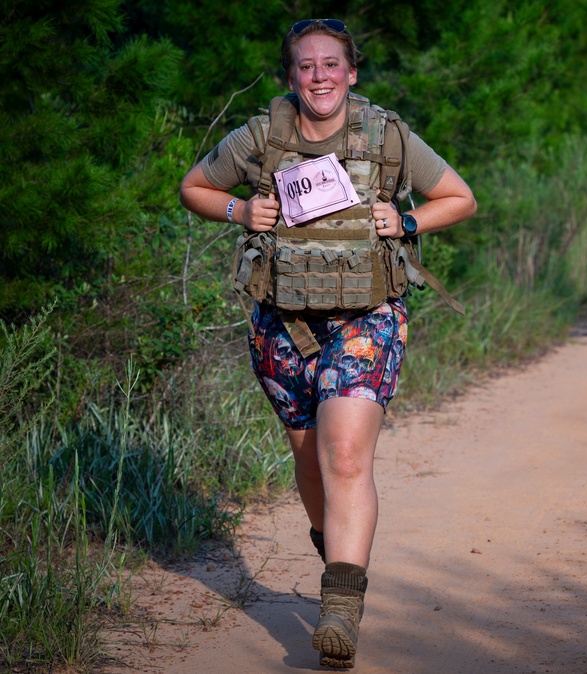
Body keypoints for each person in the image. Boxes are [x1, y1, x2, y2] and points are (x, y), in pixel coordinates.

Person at [178, 18, 477, 668]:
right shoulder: (261, 136)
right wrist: (238, 210)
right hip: (284, 325)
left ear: (351, 72)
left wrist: (404, 218)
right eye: (306, 66)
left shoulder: (387, 134)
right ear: (292, 76)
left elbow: (459, 197)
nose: (319, 76)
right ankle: (335, 550)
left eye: (331, 64)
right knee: (312, 462)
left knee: (344, 457)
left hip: (368, 317)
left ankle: (340, 609)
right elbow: (193, 187)